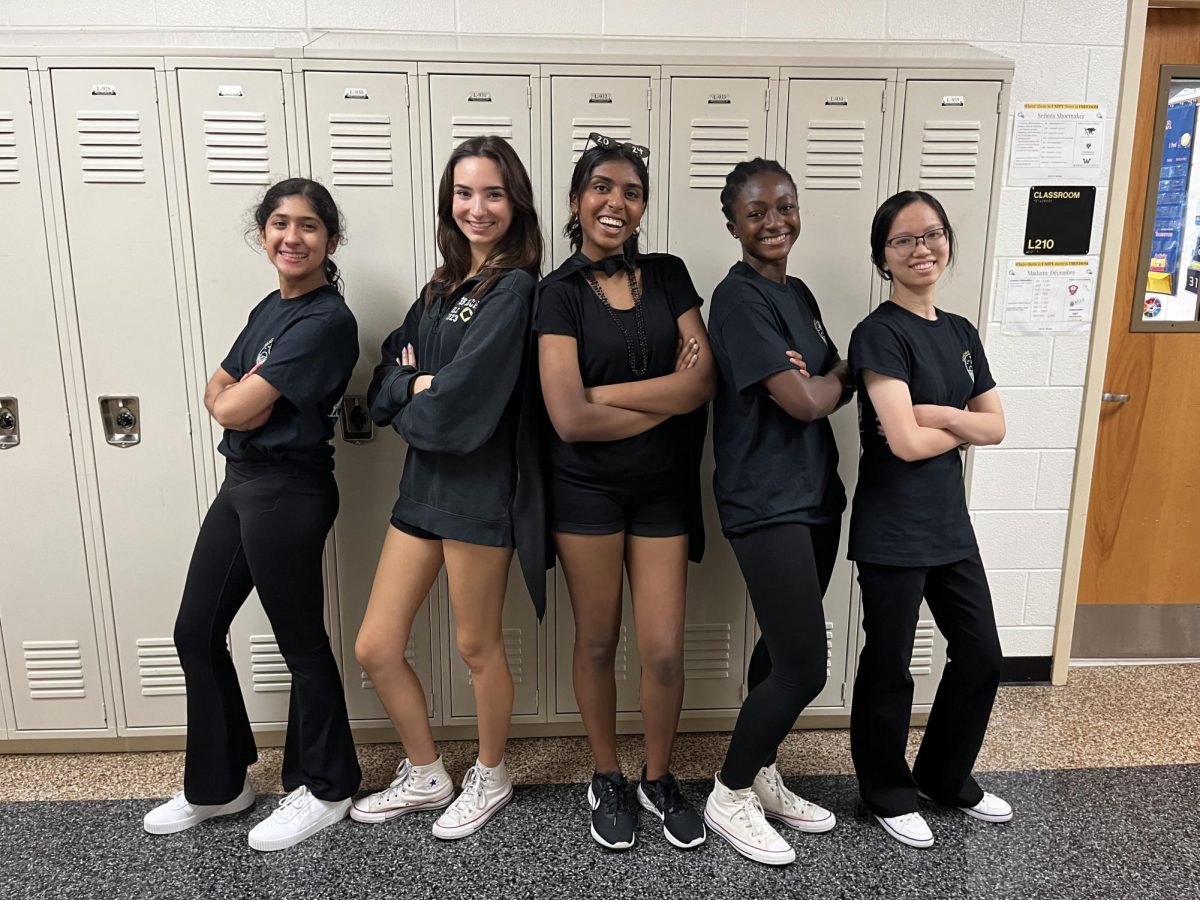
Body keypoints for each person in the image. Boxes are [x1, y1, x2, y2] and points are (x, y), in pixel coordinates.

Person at [143, 178, 361, 851]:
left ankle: (327, 786)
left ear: (330, 239)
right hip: (242, 484)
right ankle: (219, 785)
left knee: (300, 642)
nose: (291, 237)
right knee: (195, 632)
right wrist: (235, 398)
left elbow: (232, 404)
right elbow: (221, 385)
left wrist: (235, 399)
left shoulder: (327, 319)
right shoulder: (271, 306)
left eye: (307, 226)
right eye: (278, 224)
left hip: (289, 491)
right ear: (262, 233)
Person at [352, 135, 544, 840]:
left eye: (492, 192)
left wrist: (424, 388)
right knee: (375, 644)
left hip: (477, 490)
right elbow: (381, 390)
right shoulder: (437, 290)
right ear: (448, 202)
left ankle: (490, 774)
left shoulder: (515, 288)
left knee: (477, 646)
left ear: (514, 202)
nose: (477, 206)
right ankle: (427, 770)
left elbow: (464, 407)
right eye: (464, 192)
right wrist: (413, 384)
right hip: (420, 491)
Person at [535, 133, 714, 851]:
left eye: (632, 192)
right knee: (600, 639)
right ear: (579, 201)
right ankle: (606, 774)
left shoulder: (668, 274)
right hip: (586, 494)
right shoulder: (557, 294)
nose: (617, 202)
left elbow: (701, 383)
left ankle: (658, 776)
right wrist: (660, 394)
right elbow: (569, 419)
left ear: (643, 206)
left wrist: (609, 389)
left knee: (665, 650)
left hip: (662, 491)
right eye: (603, 187)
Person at [848, 190, 1010, 850]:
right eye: (904, 240)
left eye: (932, 234)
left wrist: (939, 414)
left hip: (948, 524)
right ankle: (886, 789)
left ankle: (945, 776)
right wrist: (959, 423)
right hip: (891, 527)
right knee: (891, 663)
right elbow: (903, 442)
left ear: (948, 243)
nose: (922, 248)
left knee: (981, 654)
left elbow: (996, 426)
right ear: (883, 256)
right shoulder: (878, 333)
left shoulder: (962, 333)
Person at [702, 159, 851, 865]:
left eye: (785, 206)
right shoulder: (736, 301)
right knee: (805, 667)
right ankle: (728, 795)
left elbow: (820, 378)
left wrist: (821, 377)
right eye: (756, 211)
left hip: (816, 492)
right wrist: (830, 378)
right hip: (766, 500)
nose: (774, 222)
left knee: (778, 649)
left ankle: (758, 769)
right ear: (731, 221)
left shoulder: (798, 290)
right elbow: (804, 400)